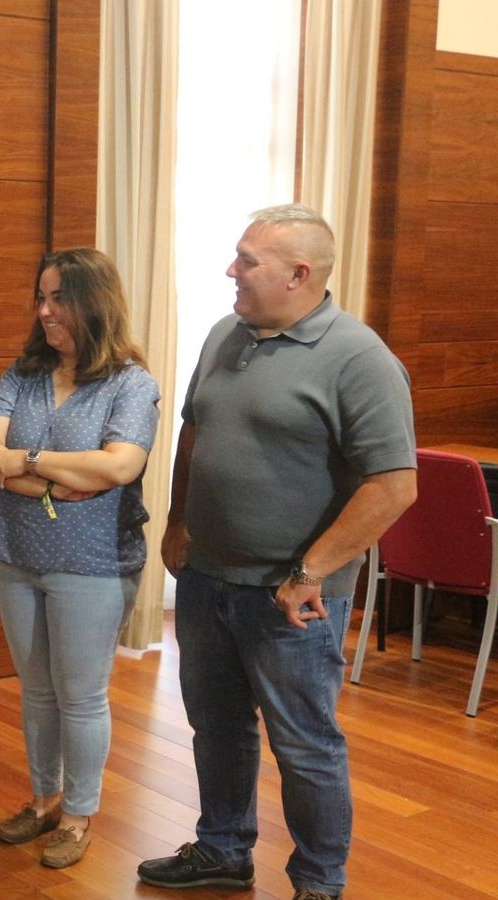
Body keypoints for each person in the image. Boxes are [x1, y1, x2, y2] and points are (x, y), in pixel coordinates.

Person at [137, 205, 417, 900]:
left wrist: (310, 571)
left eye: (246, 260)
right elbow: (194, 433)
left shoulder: (361, 359)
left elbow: (393, 486)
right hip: (207, 579)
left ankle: (320, 882)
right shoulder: (224, 335)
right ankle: (224, 851)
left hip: (292, 598)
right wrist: (177, 520)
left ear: (299, 275)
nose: (231, 271)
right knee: (217, 727)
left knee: (304, 746)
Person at [0, 248, 159, 868]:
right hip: (18, 554)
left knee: (80, 696)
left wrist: (24, 462)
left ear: (93, 303)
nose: (45, 311)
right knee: (37, 692)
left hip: (94, 562)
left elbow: (120, 466)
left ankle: (78, 815)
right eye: (41, 298)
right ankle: (44, 799)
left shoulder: (131, 383)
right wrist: (52, 479)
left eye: (59, 299)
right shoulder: (23, 374)